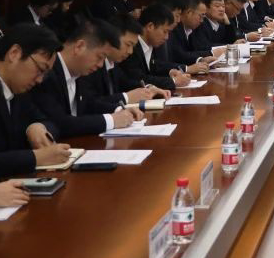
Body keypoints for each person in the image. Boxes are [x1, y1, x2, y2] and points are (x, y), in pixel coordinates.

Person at [31, 19, 143, 138]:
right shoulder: (47, 73)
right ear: (79, 47)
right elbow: (60, 123)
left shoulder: (79, 72)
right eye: (100, 57)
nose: (101, 65)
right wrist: (111, 120)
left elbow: (89, 104)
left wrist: (119, 110)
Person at [0, 24, 71, 177]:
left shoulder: (19, 92)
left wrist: (35, 127)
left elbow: (49, 122)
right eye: (40, 69)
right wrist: (36, 158)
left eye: (45, 74)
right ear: (14, 53)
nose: (39, 80)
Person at [78, 13, 169, 114]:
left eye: (133, 46)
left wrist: (149, 89)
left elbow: (126, 82)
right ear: (113, 39)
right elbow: (90, 104)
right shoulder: (91, 65)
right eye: (128, 45)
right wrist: (126, 97)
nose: (130, 51)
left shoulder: (113, 64)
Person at [118, 4, 191, 90]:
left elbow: (154, 66)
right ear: (150, 26)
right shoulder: (131, 48)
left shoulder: (152, 44)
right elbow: (138, 78)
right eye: (165, 31)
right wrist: (173, 81)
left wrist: (170, 72)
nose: (167, 37)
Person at [167, 0, 225, 66]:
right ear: (189, 13)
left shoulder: (192, 28)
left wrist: (204, 60)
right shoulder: (175, 28)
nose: (202, 21)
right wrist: (206, 56)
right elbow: (179, 55)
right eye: (201, 16)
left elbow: (198, 48)